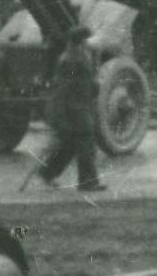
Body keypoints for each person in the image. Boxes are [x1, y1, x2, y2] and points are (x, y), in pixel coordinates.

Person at [32, 27, 106, 193]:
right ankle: (87, 181)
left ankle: (47, 173)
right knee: (86, 143)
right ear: (81, 41)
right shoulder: (72, 60)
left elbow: (83, 81)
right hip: (74, 108)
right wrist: (61, 113)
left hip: (77, 106)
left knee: (71, 144)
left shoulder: (77, 56)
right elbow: (66, 86)